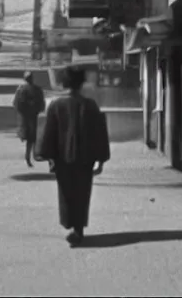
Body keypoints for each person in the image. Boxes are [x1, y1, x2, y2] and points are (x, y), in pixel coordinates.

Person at [35, 65, 110, 247]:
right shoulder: (90, 105)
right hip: (86, 159)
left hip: (63, 159)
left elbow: (49, 135)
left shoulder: (56, 105)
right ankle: (79, 229)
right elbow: (100, 133)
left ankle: (71, 226)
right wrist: (100, 161)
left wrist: (50, 159)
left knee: (67, 193)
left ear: (64, 84)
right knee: (82, 194)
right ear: (81, 84)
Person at [12, 71, 46, 168]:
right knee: (32, 137)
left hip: (25, 116)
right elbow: (41, 103)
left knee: (29, 138)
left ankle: (29, 156)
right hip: (33, 116)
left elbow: (16, 104)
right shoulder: (37, 89)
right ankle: (32, 155)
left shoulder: (21, 89)